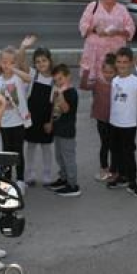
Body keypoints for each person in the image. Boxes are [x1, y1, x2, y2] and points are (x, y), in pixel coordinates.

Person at [106, 48, 137, 198]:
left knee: (128, 154)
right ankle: (121, 177)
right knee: (116, 152)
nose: (121, 65)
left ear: (131, 63)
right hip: (114, 123)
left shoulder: (135, 80)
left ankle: (132, 182)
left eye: (125, 62)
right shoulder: (115, 80)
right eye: (119, 62)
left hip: (128, 125)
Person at [78, 0, 135, 85]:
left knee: (115, 81)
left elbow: (131, 27)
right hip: (95, 51)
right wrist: (95, 30)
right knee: (96, 83)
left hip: (114, 51)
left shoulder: (122, 9)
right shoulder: (93, 6)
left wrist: (118, 31)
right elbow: (83, 24)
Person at [0, 45, 32, 181]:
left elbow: (29, 78)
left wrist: (14, 69)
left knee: (18, 152)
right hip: (4, 123)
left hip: (19, 122)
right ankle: (7, 180)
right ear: (0, 62)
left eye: (11, 62)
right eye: (4, 62)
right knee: (6, 153)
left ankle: (20, 180)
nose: (7, 65)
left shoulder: (18, 78)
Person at [22, 39, 56, 187]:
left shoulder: (55, 80)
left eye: (44, 60)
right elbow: (20, 62)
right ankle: (29, 174)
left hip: (46, 121)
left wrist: (51, 122)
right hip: (32, 119)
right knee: (30, 147)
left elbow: (54, 104)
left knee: (46, 149)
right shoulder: (33, 75)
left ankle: (47, 175)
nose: (41, 64)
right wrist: (23, 47)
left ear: (50, 61)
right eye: (37, 61)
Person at [47, 63, 81, 197]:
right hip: (58, 130)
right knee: (60, 157)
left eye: (60, 79)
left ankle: (73, 185)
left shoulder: (71, 93)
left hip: (67, 132)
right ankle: (64, 178)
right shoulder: (57, 92)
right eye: (55, 80)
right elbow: (54, 109)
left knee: (68, 158)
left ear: (68, 77)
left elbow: (66, 109)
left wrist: (60, 94)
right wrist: (50, 123)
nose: (58, 82)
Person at [82, 53, 117, 182]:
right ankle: (104, 169)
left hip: (115, 120)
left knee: (114, 146)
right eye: (105, 71)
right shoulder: (97, 82)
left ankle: (114, 170)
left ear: (116, 71)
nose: (108, 74)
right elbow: (83, 86)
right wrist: (86, 70)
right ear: (102, 70)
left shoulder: (118, 83)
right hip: (101, 119)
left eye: (111, 72)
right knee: (105, 144)